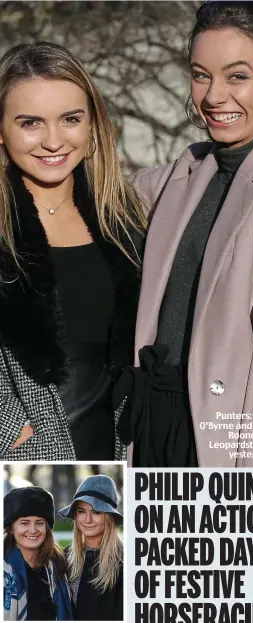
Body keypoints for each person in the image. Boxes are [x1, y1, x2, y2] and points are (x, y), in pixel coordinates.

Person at [114, 0, 253, 467]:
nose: (214, 96)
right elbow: (93, 202)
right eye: (201, 74)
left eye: (238, 76)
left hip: (232, 445)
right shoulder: (181, 174)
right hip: (153, 427)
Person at [0, 41, 145, 461]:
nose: (53, 141)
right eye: (30, 122)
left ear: (92, 124)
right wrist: (9, 427)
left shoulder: (124, 218)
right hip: (21, 460)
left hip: (120, 454)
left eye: (70, 119)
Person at [4, 486, 73, 621]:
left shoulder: (58, 566)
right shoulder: (3, 569)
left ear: (47, 528)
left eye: (39, 523)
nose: (33, 530)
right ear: (11, 528)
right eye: (24, 523)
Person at [60, 474, 123, 621]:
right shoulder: (64, 557)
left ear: (109, 516)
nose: (87, 520)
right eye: (81, 511)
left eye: (96, 512)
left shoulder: (125, 561)